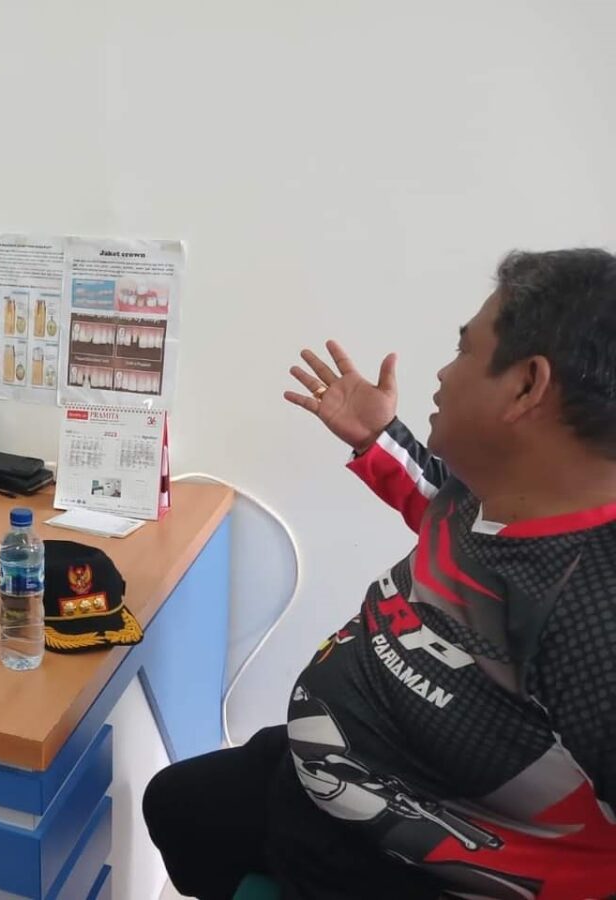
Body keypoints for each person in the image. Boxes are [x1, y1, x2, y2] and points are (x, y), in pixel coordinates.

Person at [142, 249, 616, 899]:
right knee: (179, 805)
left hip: (412, 862)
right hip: (337, 775)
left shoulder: (596, 617)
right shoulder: (495, 495)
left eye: (465, 350)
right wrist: (376, 435)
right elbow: (434, 500)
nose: (443, 373)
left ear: (527, 386)